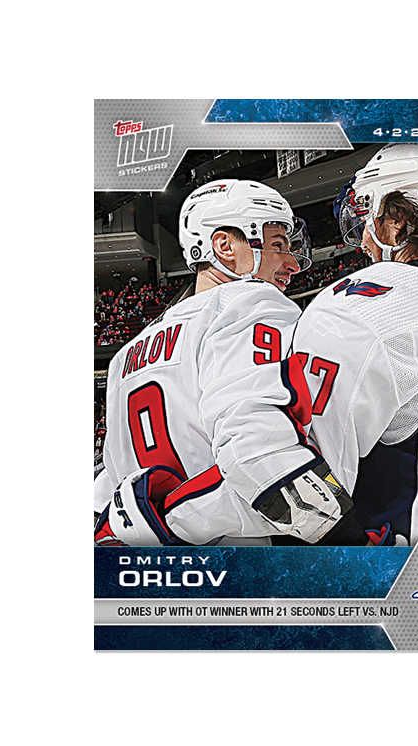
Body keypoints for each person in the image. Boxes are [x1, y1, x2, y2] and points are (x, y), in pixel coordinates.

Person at [94, 179, 372, 547]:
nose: (292, 264)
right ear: (225, 246)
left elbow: (111, 487)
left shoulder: (124, 356)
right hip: (246, 554)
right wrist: (346, 538)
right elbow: (260, 452)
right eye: (278, 245)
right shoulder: (250, 303)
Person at [290, 143, 418, 543]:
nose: (363, 240)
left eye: (369, 218)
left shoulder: (356, 311)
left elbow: (308, 483)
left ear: (396, 221)